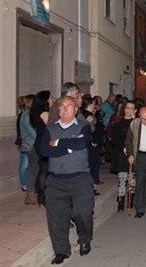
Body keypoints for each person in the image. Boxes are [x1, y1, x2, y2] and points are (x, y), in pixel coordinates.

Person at [40, 96, 94, 264]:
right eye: (62, 107)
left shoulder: (83, 126)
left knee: (82, 213)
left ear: (75, 109)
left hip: (80, 179)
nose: (64, 109)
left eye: (69, 106)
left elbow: (83, 143)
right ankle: (61, 250)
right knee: (56, 217)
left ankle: (84, 239)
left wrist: (57, 143)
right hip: (56, 181)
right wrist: (69, 146)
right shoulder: (50, 129)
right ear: (58, 110)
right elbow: (44, 150)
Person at [111, 101, 137, 212]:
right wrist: (123, 147)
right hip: (121, 155)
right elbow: (115, 139)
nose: (128, 110)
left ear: (135, 110)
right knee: (122, 179)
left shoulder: (137, 123)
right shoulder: (118, 123)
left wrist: (135, 120)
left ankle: (130, 202)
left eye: (131, 108)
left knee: (132, 179)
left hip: (133, 155)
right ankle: (120, 202)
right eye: (127, 107)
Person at [31, 90, 53, 206]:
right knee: (45, 169)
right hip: (43, 143)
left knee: (43, 168)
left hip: (40, 141)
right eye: (50, 98)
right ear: (45, 100)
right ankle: (43, 196)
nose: (51, 99)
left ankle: (41, 194)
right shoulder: (43, 112)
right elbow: (52, 127)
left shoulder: (36, 111)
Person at [20, 95, 36, 203]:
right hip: (30, 145)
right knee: (32, 169)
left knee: (32, 169)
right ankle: (30, 195)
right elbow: (32, 133)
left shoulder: (28, 115)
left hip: (29, 144)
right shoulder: (27, 115)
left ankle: (31, 195)